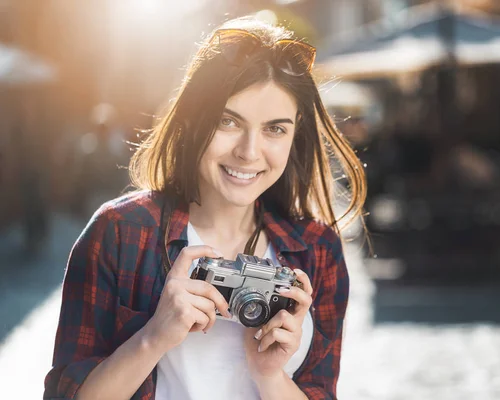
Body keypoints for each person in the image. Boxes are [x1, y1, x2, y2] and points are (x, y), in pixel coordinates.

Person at [44, 16, 366, 400]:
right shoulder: (120, 231)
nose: (249, 152)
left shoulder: (317, 248)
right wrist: (153, 337)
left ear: (295, 135)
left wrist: (269, 375)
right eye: (228, 121)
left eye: (274, 129)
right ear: (193, 121)